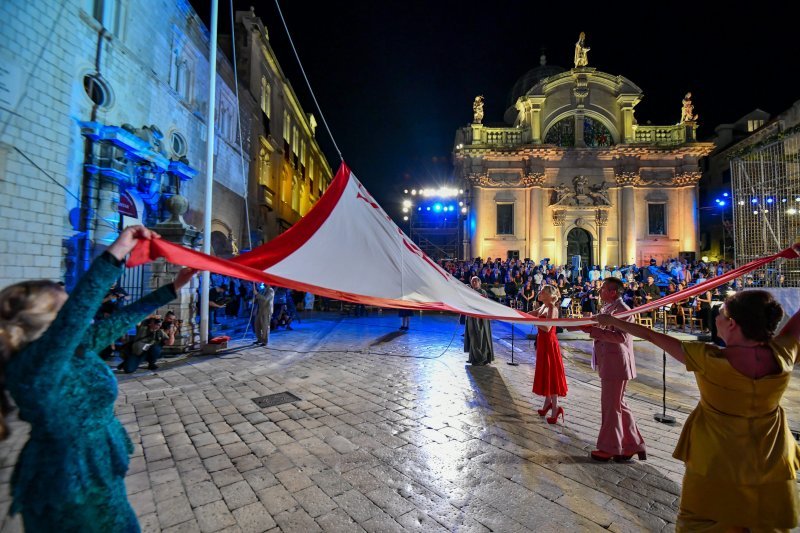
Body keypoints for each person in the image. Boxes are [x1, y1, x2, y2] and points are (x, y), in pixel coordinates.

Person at [0, 225, 195, 532]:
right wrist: (116, 252)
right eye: (64, 309)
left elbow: (118, 322)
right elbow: (79, 310)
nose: (80, 316)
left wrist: (172, 289)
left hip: (95, 475)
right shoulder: (36, 369)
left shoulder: (70, 351)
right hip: (69, 485)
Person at [596, 285, 800, 531]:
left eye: (721, 314)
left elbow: (650, 335)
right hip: (771, 458)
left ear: (733, 324)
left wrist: (611, 321)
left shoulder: (708, 358)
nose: (716, 318)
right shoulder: (784, 353)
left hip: (715, 458)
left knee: (703, 522)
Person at [569, 277, 646, 462]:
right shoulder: (608, 309)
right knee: (619, 404)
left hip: (616, 362)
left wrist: (592, 331)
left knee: (611, 406)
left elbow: (620, 337)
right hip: (609, 360)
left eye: (603, 288)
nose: (599, 291)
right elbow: (599, 325)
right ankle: (633, 444)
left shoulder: (623, 311)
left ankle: (610, 447)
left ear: (613, 292)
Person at [531, 285, 568, 424]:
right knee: (546, 372)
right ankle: (547, 404)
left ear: (549, 295)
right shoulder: (543, 307)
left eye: (542, 292)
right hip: (542, 343)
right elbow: (531, 313)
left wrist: (533, 321)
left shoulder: (552, 308)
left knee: (551, 373)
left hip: (549, 344)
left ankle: (555, 407)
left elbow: (547, 327)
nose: (539, 293)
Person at [464, 276, 494, 366]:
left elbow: (483, 304)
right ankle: (473, 358)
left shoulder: (482, 292)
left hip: (480, 319)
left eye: (476, 281)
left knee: (481, 338)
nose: (474, 283)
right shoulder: (469, 291)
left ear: (480, 283)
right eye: (473, 281)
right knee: (473, 337)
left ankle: (482, 358)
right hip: (471, 318)